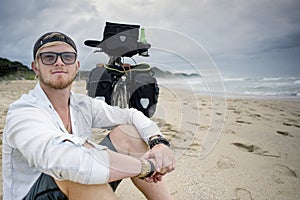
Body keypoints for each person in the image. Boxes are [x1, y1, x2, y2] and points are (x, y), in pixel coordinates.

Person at [2, 31, 175, 200]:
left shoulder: (83, 104)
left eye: (67, 57)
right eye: (49, 57)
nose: (59, 62)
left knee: (128, 132)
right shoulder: (23, 111)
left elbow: (131, 115)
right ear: (36, 67)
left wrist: (158, 142)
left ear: (76, 66)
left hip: (79, 185)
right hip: (37, 192)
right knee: (78, 171)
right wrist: (145, 167)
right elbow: (64, 159)